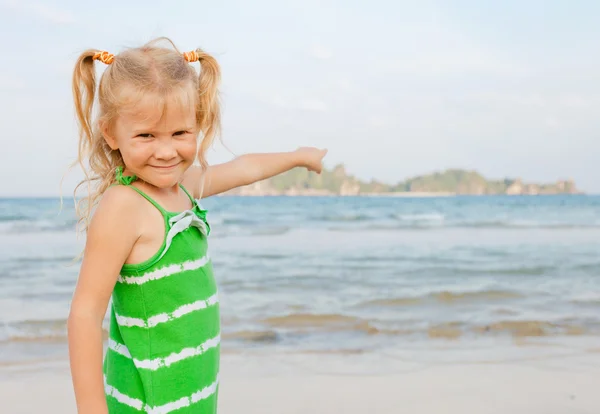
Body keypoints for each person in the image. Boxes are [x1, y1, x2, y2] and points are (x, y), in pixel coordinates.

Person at [67, 37, 327, 414]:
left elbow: (243, 169)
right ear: (111, 133)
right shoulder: (124, 206)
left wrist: (297, 157)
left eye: (180, 133)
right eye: (146, 136)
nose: (167, 151)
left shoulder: (181, 187)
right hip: (146, 403)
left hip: (192, 397)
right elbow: (85, 314)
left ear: (197, 124)